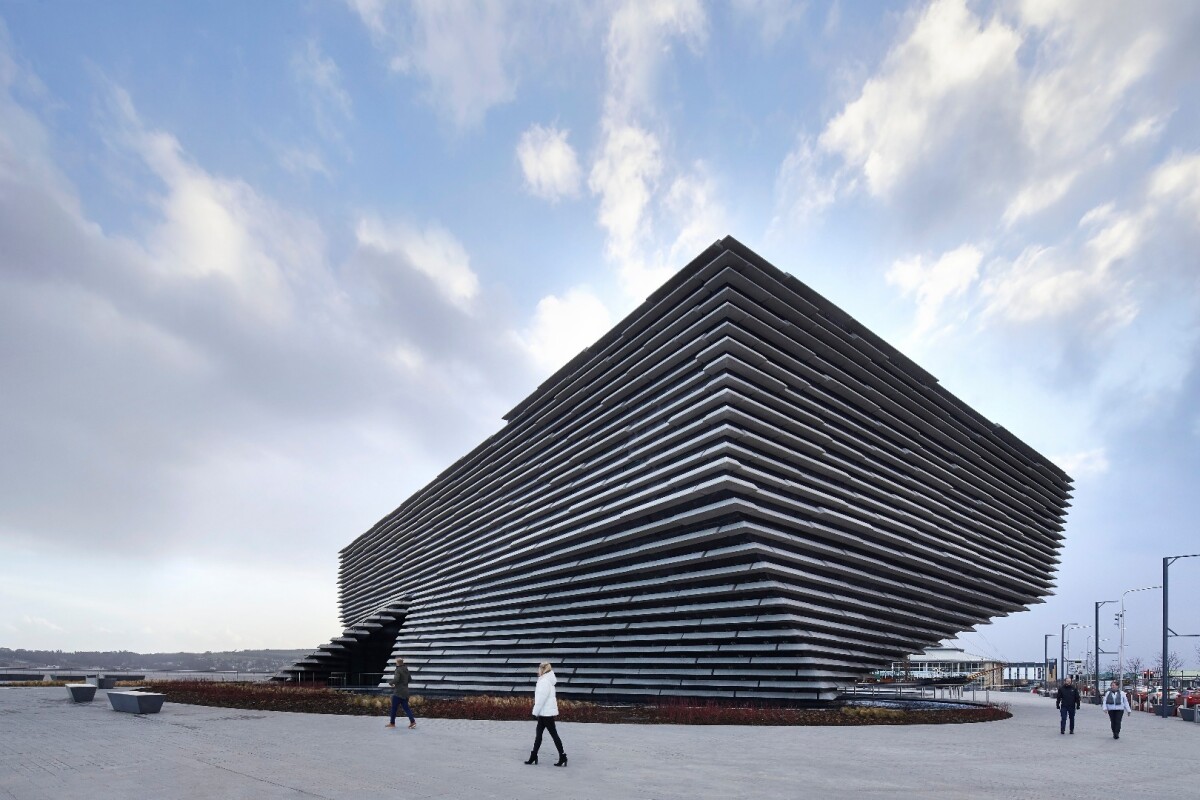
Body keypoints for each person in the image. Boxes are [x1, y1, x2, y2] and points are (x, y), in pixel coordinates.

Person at [524, 662, 567, 767]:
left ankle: (562, 756)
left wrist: (535, 712)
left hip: (546, 713)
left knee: (553, 735)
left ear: (542, 669)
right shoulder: (547, 680)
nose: (537, 671)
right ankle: (534, 755)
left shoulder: (544, 682)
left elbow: (541, 699)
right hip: (544, 713)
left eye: (538, 669)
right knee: (539, 735)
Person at [385, 656, 416, 729]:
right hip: (405, 692)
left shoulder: (398, 670)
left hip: (398, 692)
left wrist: (390, 683)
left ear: (398, 663)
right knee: (406, 708)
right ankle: (412, 722)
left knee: (393, 708)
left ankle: (392, 723)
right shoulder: (406, 669)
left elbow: (396, 679)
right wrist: (404, 683)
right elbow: (410, 679)